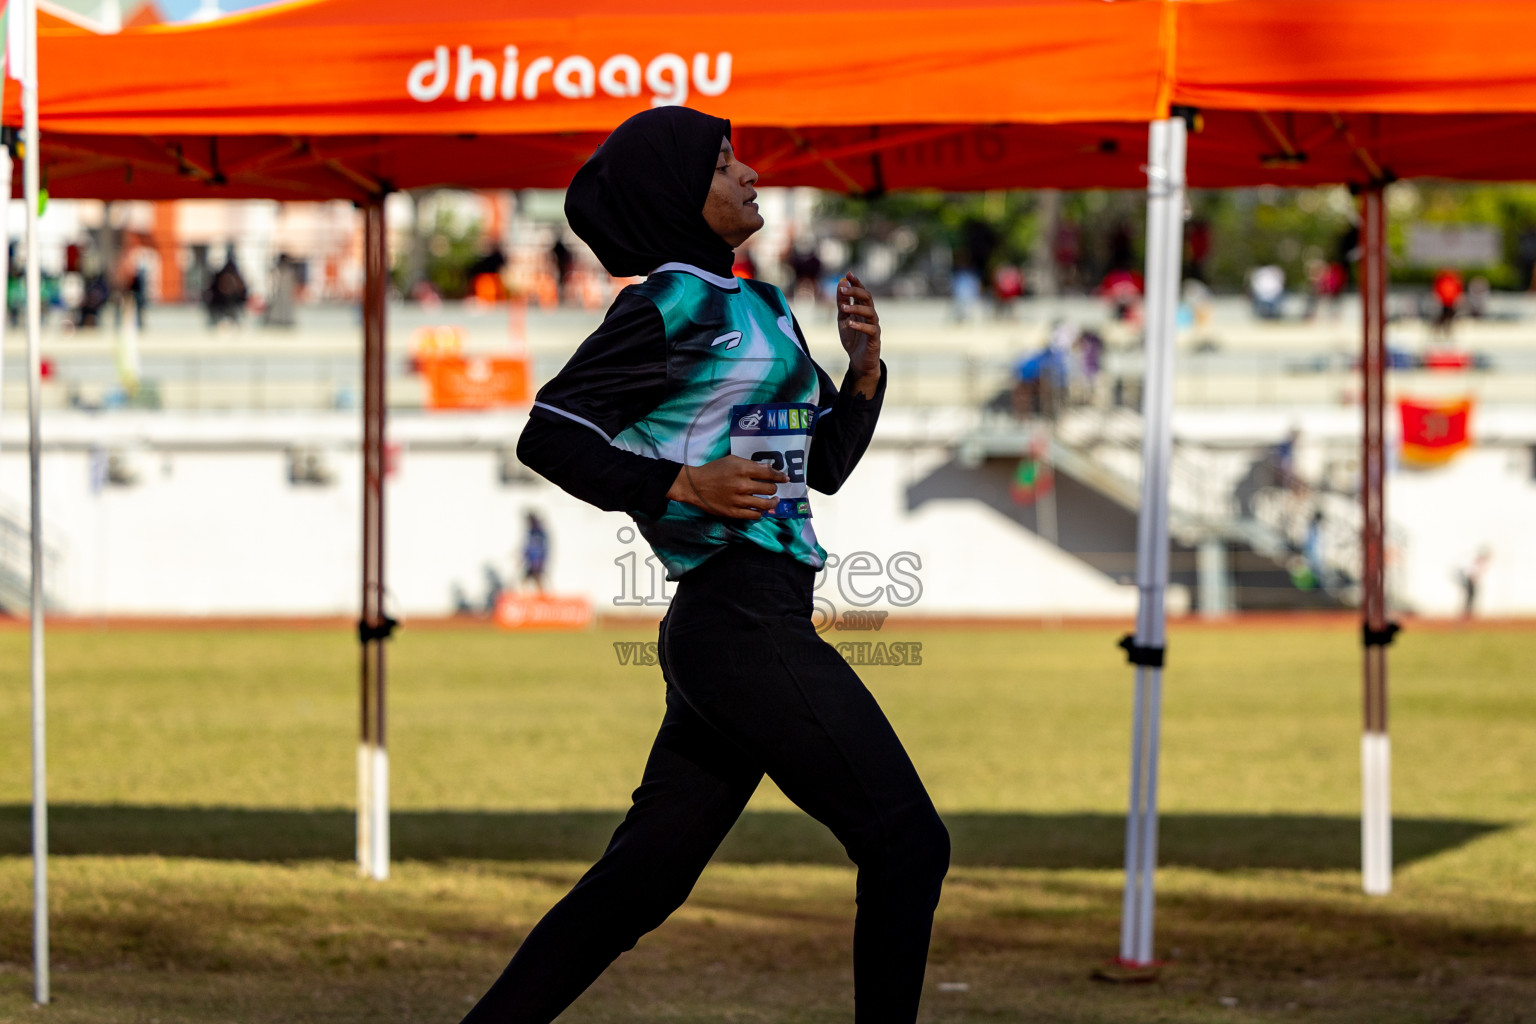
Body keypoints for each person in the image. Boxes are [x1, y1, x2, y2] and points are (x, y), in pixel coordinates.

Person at [462, 106, 948, 1024]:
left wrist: (865, 373)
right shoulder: (666, 304)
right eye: (729, 165)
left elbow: (826, 469)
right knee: (907, 843)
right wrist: (678, 484)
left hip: (744, 628)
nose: (753, 176)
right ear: (684, 196)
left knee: (635, 889)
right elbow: (549, 432)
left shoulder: (760, 305)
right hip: (738, 623)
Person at [521, 511, 548, 593]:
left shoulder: (538, 533)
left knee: (537, 580)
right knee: (525, 581)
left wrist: (539, 561)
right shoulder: (531, 532)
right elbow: (528, 547)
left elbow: (540, 548)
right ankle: (526, 597)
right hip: (531, 562)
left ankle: (542, 599)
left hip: (536, 562)